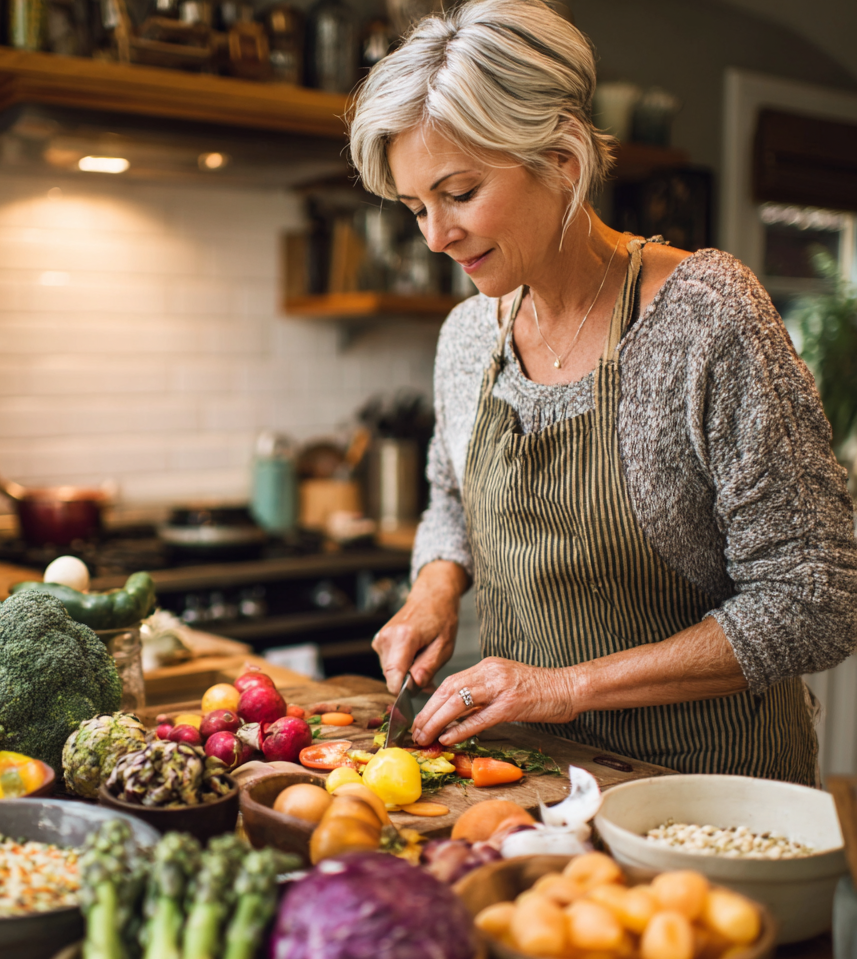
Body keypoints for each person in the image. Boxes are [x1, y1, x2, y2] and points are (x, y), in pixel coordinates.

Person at [348, 0, 857, 784]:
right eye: (416, 207)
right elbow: (449, 506)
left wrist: (566, 687)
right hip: (535, 778)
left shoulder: (707, 317)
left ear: (560, 156)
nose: (433, 236)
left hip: (711, 795)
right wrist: (434, 589)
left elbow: (817, 597)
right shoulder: (466, 337)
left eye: (459, 192)